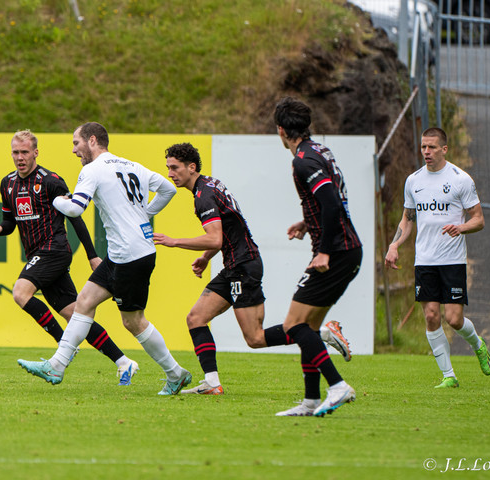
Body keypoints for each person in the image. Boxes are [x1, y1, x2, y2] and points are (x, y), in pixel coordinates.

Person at [153, 142, 352, 395]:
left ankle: (321, 333)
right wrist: (205, 257)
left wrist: (174, 241)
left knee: (255, 338)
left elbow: (215, 238)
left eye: (174, 168)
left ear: (191, 167)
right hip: (237, 265)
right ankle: (212, 383)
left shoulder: (204, 196)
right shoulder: (210, 185)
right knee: (196, 318)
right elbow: (227, 232)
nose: (170, 173)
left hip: (242, 267)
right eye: (168, 168)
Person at [17, 122, 192, 395]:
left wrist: (57, 201)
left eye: (76, 143)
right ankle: (57, 365)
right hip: (125, 253)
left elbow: (75, 209)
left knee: (134, 321)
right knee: (84, 302)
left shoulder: (93, 170)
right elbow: (168, 189)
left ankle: (175, 373)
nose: (74, 150)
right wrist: (144, 215)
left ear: (92, 140)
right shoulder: (132, 165)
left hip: (130, 256)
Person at [0, 130, 138, 386]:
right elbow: (10, 222)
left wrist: (92, 256)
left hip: (54, 250)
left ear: (35, 153)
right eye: (15, 152)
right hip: (37, 253)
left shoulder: (51, 181)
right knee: (76, 315)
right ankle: (124, 362)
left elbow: (75, 218)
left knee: (20, 292)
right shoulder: (8, 183)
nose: (20, 157)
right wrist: (0, 229)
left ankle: (62, 348)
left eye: (25, 152)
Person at [273, 97, 362, 417]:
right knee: (308, 327)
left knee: (293, 325)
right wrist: (307, 223)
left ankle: (337, 385)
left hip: (336, 252)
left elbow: (332, 204)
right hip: (346, 249)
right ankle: (310, 400)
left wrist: (323, 250)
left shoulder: (303, 161)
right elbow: (329, 199)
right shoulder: (320, 150)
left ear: (281, 130)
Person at [385, 127, 490, 388]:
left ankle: (478, 344)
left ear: (444, 149)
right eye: (423, 146)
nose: (426, 151)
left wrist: (461, 227)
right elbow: (408, 219)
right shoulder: (413, 181)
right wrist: (394, 244)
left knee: (453, 319)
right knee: (432, 316)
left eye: (432, 147)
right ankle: (449, 376)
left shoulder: (460, 179)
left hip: (452, 260)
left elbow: (478, 219)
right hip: (424, 260)